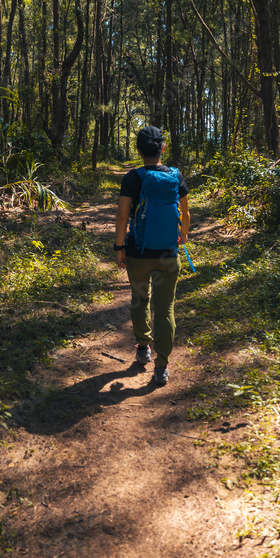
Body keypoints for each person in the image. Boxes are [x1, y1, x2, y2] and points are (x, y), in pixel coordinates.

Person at [113, 126, 189, 385]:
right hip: (168, 253)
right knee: (165, 307)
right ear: (162, 148)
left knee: (140, 298)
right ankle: (162, 364)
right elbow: (185, 215)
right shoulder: (176, 176)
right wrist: (182, 237)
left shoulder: (132, 178)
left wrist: (119, 248)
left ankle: (143, 347)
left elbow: (123, 216)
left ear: (138, 150)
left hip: (138, 253)